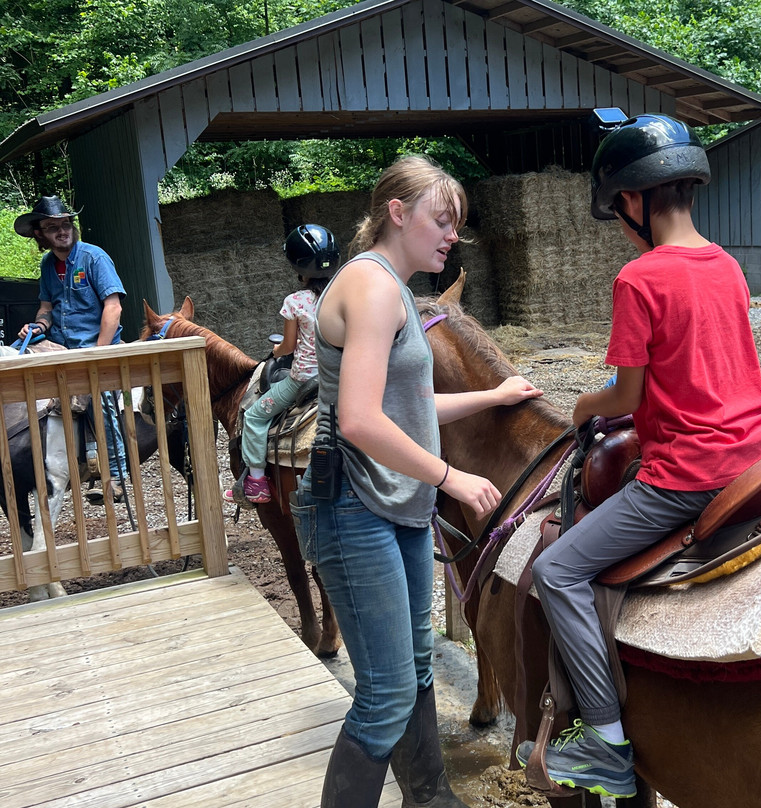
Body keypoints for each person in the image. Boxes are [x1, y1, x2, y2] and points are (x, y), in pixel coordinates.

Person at [515, 111, 761, 799]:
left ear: (631, 201)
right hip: (757, 455)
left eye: (619, 206)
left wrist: (581, 408)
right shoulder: (725, 264)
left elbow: (625, 393)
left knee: (560, 569)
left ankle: (603, 746)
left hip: (688, 476)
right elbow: (693, 368)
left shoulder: (639, 279)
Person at [289, 154, 543, 808]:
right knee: (384, 694)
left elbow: (407, 407)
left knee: (418, 666)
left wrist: (493, 397)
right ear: (396, 214)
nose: (452, 234)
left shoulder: (398, 289)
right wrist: (451, 475)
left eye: (456, 223)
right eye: (442, 219)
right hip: (352, 505)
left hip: (394, 508)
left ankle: (430, 798)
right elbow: (360, 421)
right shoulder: (371, 287)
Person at [15, 195, 128, 505]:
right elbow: (46, 308)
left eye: (66, 224)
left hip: (95, 345)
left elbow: (113, 307)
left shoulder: (94, 257)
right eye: (53, 227)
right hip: (61, 344)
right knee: (13, 353)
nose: (62, 231)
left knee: (98, 395)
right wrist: (37, 326)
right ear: (39, 233)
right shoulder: (48, 264)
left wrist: (99, 352)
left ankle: (116, 475)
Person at [227, 224, 340, 505]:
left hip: (302, 380)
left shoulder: (295, 302)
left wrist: (276, 350)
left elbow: (288, 347)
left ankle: (256, 482)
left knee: (254, 416)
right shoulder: (345, 296)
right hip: (341, 376)